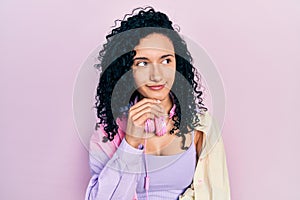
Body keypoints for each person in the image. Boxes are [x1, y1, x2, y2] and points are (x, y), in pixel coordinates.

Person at [84, 6, 231, 200]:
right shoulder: (108, 131)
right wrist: (130, 143)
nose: (157, 75)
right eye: (143, 63)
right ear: (126, 71)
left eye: (166, 61)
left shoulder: (201, 127)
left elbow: (217, 194)